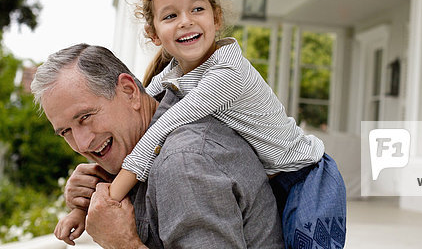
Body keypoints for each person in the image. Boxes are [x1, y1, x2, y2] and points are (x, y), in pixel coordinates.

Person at [57, 0, 347, 249]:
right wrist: (87, 200)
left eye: (197, 9)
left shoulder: (226, 74)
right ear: (154, 33)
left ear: (216, 18)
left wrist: (110, 199)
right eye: (170, 15)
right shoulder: (173, 75)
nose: (186, 21)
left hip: (306, 177)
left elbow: (160, 128)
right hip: (274, 177)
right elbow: (142, 102)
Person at [31, 44, 284, 248]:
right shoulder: (141, 145)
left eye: (85, 117)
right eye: (66, 131)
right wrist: (86, 199)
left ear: (129, 91)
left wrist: (123, 244)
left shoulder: (183, 162)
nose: (82, 143)